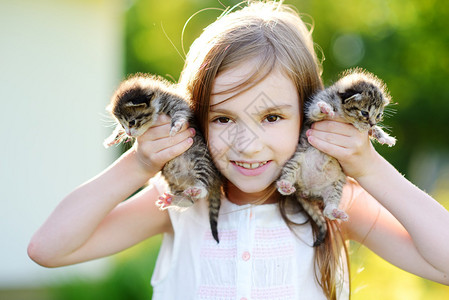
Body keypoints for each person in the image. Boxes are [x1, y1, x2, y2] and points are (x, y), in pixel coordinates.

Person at [28, 1, 449, 299]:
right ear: (192, 120)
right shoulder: (178, 206)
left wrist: (370, 168)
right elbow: (48, 249)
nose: (248, 144)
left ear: (308, 118)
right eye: (223, 119)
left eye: (272, 118)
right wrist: (139, 163)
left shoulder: (335, 204)